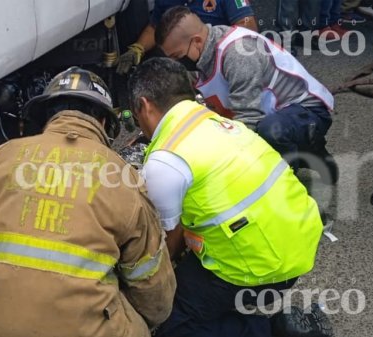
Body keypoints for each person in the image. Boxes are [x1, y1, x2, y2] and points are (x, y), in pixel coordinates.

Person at [0, 67, 176, 337]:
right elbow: (154, 295)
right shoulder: (123, 178)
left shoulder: (4, 156)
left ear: (48, 115)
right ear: (104, 123)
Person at [128, 57, 332, 337]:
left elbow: (168, 245)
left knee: (171, 323)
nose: (139, 126)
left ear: (143, 105)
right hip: (300, 240)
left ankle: (275, 329)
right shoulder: (221, 123)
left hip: (264, 266)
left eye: (135, 116)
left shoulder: (166, 158)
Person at [155, 6, 339, 184]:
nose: (177, 63)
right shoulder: (204, 53)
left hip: (308, 112)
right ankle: (306, 154)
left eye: (177, 56)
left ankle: (289, 185)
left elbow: (248, 120)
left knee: (269, 132)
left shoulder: (237, 54)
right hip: (273, 113)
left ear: (196, 41)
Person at [116, 0, 258, 74]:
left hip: (220, 55)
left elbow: (247, 25)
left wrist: (221, 49)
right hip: (182, 55)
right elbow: (155, 27)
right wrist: (138, 48)